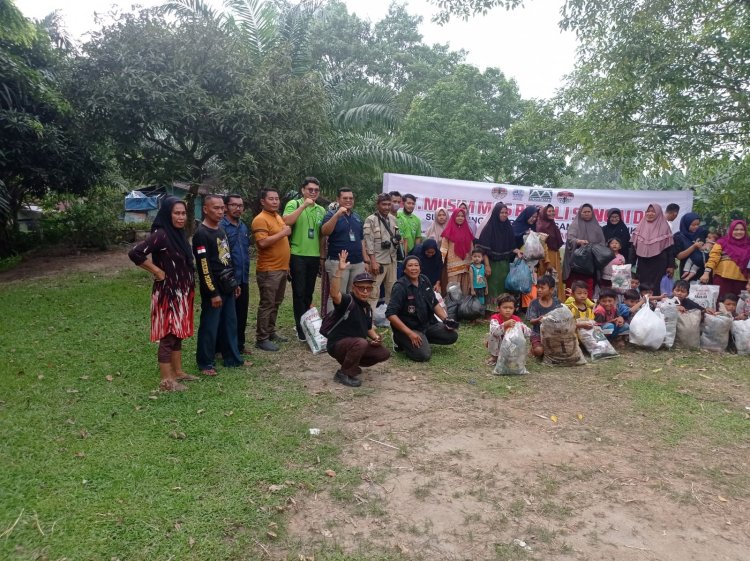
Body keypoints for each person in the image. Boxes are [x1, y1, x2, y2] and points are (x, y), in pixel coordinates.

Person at [128, 197, 196, 392]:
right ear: (167, 214)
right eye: (177, 213)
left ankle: (178, 372)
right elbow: (136, 253)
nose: (181, 217)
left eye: (183, 213)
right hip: (168, 293)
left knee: (178, 334)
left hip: (182, 292)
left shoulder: (178, 234)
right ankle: (166, 381)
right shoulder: (162, 235)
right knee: (168, 335)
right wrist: (156, 271)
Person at [192, 194, 244, 375]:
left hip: (227, 284)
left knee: (230, 323)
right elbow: (204, 267)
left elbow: (226, 259)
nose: (220, 211)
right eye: (216, 208)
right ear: (205, 209)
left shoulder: (221, 230)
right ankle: (205, 362)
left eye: (222, 208)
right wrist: (212, 293)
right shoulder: (201, 234)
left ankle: (232, 358)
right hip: (212, 287)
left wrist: (234, 283)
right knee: (209, 326)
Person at [325, 250, 390, 387]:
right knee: (361, 343)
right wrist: (339, 272)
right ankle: (343, 373)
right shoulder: (348, 301)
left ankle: (351, 364)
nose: (365, 291)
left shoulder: (367, 307)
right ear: (354, 288)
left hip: (355, 343)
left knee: (383, 353)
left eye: (368, 288)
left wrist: (376, 338)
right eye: (361, 288)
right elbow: (334, 294)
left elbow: (368, 328)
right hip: (337, 344)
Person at [386, 255, 459, 362]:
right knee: (423, 355)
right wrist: (410, 333)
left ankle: (421, 339)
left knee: (451, 336)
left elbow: (434, 303)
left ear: (420, 268)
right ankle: (399, 339)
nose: (414, 268)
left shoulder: (424, 280)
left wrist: (446, 320)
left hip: (426, 324)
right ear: (405, 269)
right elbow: (390, 314)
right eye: (410, 266)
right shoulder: (400, 286)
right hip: (410, 327)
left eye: (416, 265)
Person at [283, 177, 326, 341]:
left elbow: (322, 236)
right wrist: (304, 205)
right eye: (310, 189)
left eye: (316, 190)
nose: (313, 192)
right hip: (297, 254)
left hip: (314, 256)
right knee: (299, 292)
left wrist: (322, 257)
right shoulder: (294, 204)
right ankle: (301, 329)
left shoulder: (321, 210)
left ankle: (306, 323)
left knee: (308, 292)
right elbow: (286, 221)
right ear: (303, 190)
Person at [251, 188, 292, 352]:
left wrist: (286, 266)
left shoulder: (277, 216)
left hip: (281, 268)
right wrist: (283, 233)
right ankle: (261, 338)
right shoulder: (260, 219)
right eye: (271, 199)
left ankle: (270, 331)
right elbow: (262, 243)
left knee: (276, 302)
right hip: (269, 270)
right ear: (262, 201)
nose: (275, 201)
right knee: (267, 303)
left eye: (277, 199)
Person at [321, 188, 367, 312]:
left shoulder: (357, 217)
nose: (348, 200)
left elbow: (361, 240)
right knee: (337, 294)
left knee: (354, 294)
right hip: (338, 262)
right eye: (345, 198)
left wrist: (365, 261)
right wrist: (337, 215)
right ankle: (331, 326)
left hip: (357, 262)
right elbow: (325, 231)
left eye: (351, 198)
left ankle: (349, 323)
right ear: (338, 199)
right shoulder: (331, 214)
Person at [220, 194, 251, 353]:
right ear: (226, 207)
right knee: (228, 316)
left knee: (241, 313)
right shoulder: (221, 227)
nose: (238, 208)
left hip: (243, 277)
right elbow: (223, 256)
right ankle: (225, 348)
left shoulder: (243, 226)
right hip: (228, 279)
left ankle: (240, 344)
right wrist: (230, 278)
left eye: (240, 205)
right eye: (234, 205)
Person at [476, 203, 519, 303]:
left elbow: (511, 246)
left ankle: (502, 308)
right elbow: (483, 250)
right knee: (491, 287)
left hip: (504, 265)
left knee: (502, 287)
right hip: (491, 264)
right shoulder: (489, 228)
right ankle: (490, 309)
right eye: (501, 213)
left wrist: (518, 251)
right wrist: (487, 265)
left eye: (506, 213)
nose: (504, 215)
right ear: (496, 213)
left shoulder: (508, 227)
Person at [630, 203, 675, 296]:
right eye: (648, 211)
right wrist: (630, 264)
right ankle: (642, 306)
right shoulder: (640, 226)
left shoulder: (664, 227)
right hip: (643, 263)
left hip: (659, 263)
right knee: (642, 284)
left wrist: (671, 265)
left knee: (656, 286)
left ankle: (655, 306)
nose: (650, 214)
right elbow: (634, 246)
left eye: (653, 212)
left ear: (658, 213)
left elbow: (670, 248)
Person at [363, 193, 398, 311]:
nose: (387, 207)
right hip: (378, 261)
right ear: (378, 205)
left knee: (392, 290)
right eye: (384, 204)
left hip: (392, 259)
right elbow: (368, 242)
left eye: (389, 204)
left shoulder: (393, 219)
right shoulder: (370, 220)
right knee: (373, 291)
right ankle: (369, 319)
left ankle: (390, 318)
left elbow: (396, 237)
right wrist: (372, 261)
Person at [563, 203, 606, 298]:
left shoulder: (597, 227)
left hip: (591, 264)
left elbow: (602, 242)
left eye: (589, 212)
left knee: (589, 285)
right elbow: (570, 239)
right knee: (574, 285)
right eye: (584, 212)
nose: (587, 214)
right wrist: (578, 241)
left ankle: (587, 308)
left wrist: (593, 247)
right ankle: (572, 307)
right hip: (576, 264)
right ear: (580, 213)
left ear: (592, 213)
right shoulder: (575, 225)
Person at [700, 219, 750, 300]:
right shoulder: (722, 242)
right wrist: (706, 273)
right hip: (722, 279)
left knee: (739, 308)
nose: (739, 232)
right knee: (720, 305)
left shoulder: (748, 244)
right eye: (736, 229)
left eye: (742, 229)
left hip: (742, 282)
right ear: (731, 230)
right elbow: (713, 258)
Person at [487, 293, 530, 365]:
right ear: (498, 308)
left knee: (519, 337)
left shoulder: (516, 319)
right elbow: (495, 331)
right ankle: (494, 357)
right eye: (505, 307)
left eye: (511, 308)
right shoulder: (495, 318)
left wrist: (521, 328)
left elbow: (529, 332)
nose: (508, 310)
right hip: (498, 345)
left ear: (514, 309)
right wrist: (505, 324)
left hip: (511, 347)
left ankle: (513, 357)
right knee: (492, 335)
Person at [439, 207, 475, 294]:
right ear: (454, 217)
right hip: (453, 266)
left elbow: (471, 247)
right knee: (453, 291)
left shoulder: (468, 230)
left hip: (466, 265)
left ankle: (463, 308)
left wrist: (473, 261)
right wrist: (440, 261)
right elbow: (443, 248)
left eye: (462, 216)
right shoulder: (448, 230)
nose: (460, 218)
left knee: (465, 290)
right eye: (458, 216)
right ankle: (452, 307)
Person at [525, 275, 561, 359]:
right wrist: (538, 319)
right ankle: (533, 349)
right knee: (539, 351)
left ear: (551, 290)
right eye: (538, 287)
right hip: (537, 333)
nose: (539, 290)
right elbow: (531, 321)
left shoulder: (557, 302)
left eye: (542, 288)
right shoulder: (534, 303)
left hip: (553, 333)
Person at [535, 204, 566, 301]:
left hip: (555, 256)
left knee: (555, 280)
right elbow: (542, 246)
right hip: (546, 258)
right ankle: (543, 303)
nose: (552, 213)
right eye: (549, 211)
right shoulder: (541, 227)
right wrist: (547, 262)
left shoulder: (552, 225)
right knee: (545, 281)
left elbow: (557, 244)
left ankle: (555, 302)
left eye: (553, 211)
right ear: (544, 213)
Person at [673, 212, 709, 281]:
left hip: (703, 269)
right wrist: (694, 246)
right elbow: (679, 256)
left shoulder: (702, 232)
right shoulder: (678, 237)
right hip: (687, 270)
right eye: (693, 225)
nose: (696, 227)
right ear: (686, 224)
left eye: (698, 224)